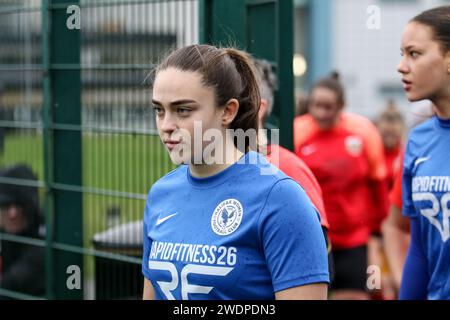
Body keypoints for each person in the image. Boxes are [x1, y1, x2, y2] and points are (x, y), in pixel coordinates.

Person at [141, 44, 329, 300]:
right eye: (159, 110)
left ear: (228, 111)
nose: (166, 125)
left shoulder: (281, 199)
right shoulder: (161, 194)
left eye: (183, 110)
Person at [293, 72, 388, 300]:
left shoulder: (363, 132)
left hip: (353, 240)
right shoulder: (297, 131)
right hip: (313, 239)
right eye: (316, 105)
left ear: (342, 106)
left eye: (329, 107)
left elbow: (378, 188)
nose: (321, 113)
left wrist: (376, 240)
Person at [396, 5, 450, 300]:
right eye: (401, 54)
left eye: (414, 54)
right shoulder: (418, 140)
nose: (401, 66)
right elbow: (419, 249)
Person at [0, 164, 45, 298]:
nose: (12, 213)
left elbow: (9, 285)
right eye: (5, 204)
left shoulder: (42, 246)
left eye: (19, 204)